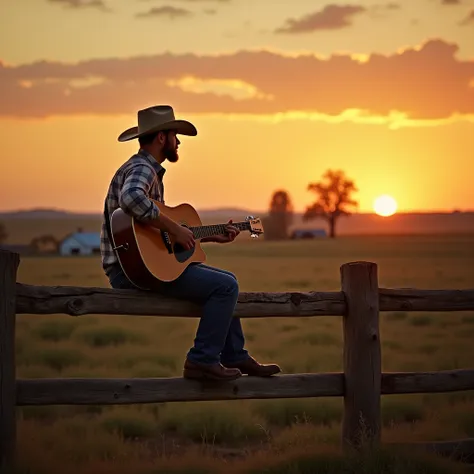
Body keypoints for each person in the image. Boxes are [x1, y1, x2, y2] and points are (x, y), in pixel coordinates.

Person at [100, 105, 281, 382]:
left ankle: (235, 355)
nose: (179, 141)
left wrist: (207, 236)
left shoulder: (145, 170)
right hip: (131, 272)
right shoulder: (142, 168)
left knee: (224, 281)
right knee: (226, 286)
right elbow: (131, 199)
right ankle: (202, 360)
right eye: (174, 134)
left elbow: (156, 237)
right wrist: (174, 226)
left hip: (141, 266)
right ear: (162, 138)